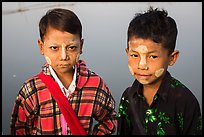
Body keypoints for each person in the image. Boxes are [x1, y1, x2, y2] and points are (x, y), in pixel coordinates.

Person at [10, 8, 117, 135]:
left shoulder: (94, 85)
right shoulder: (32, 89)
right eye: (54, 48)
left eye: (71, 48)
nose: (63, 56)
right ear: (41, 46)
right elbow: (19, 128)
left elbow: (110, 118)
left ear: (81, 46)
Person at [117, 7, 202, 135]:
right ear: (127, 53)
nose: (142, 65)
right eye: (135, 55)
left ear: (172, 58)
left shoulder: (185, 102)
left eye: (153, 56)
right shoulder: (128, 98)